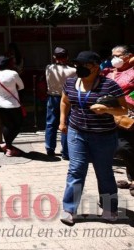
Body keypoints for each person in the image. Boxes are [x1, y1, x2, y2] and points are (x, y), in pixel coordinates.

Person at [59, 51, 128, 226]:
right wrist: (62, 121)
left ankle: (109, 208)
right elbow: (65, 101)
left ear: (96, 67)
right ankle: (69, 210)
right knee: (76, 170)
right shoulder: (71, 82)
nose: (79, 68)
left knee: (104, 172)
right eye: (78, 65)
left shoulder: (109, 86)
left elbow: (123, 110)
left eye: (84, 65)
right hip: (77, 133)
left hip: (103, 136)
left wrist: (106, 110)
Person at [102, 45, 134, 196]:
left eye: (118, 55)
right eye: (112, 55)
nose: (114, 58)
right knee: (122, 148)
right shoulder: (109, 73)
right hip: (116, 117)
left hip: (131, 114)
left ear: (128, 56)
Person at [44, 47, 76, 159]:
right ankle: (66, 152)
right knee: (66, 123)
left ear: (54, 57)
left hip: (52, 97)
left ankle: (50, 149)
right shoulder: (73, 71)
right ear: (67, 57)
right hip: (67, 98)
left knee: (50, 123)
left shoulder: (49, 68)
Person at [0, 55, 25, 157]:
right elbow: (21, 86)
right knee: (18, 125)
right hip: (12, 104)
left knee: (7, 125)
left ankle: (7, 146)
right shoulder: (13, 73)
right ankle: (9, 147)